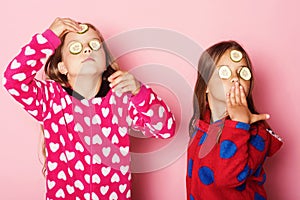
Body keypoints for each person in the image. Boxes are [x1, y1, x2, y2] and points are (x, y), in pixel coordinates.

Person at [3, 17, 175, 200]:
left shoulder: (121, 98)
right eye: (75, 47)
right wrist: (49, 37)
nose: (87, 49)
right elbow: (13, 80)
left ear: (105, 60)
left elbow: (165, 129)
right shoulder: (50, 98)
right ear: (62, 67)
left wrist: (140, 92)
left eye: (94, 45)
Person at [186, 40, 283, 200]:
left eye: (242, 73)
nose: (235, 79)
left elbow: (227, 178)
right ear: (206, 85)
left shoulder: (257, 133)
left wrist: (239, 123)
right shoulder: (200, 127)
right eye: (225, 72)